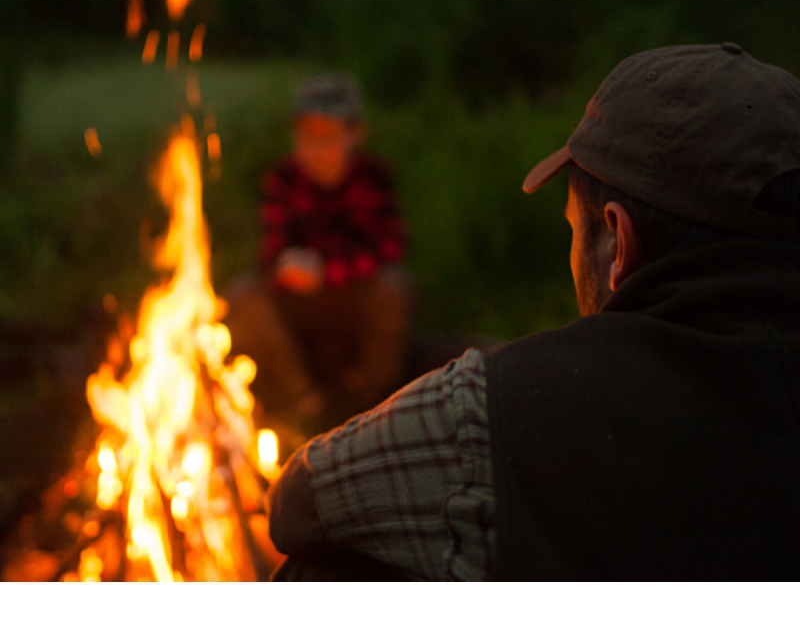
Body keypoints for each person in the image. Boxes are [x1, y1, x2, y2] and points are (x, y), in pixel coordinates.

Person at [266, 43, 800, 581]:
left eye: (573, 227)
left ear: (617, 242)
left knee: (321, 572)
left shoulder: (496, 408)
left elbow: (300, 500)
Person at [223, 73, 413, 438]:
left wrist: (327, 271)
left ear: (355, 134)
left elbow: (387, 247)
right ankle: (303, 406)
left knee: (395, 288)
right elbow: (269, 253)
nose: (316, 148)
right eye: (306, 136)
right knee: (242, 296)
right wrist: (287, 269)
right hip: (298, 302)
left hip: (353, 296)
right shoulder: (283, 179)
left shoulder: (372, 178)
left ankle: (373, 410)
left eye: (327, 136)